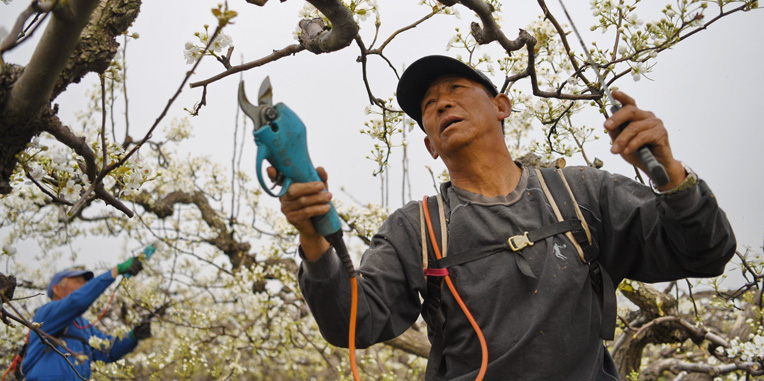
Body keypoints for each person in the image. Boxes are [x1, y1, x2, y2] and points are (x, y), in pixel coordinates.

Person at [276, 54, 736, 380]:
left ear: (501, 106)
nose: (440, 104)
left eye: (455, 89)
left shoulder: (581, 194)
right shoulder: (416, 228)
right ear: (431, 146)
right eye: (427, 107)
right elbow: (351, 323)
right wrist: (314, 240)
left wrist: (670, 174)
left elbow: (706, 252)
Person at [20, 255, 152, 380]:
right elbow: (77, 301)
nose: (83, 286)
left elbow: (108, 350)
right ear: (57, 289)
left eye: (85, 283)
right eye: (78, 281)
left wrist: (133, 336)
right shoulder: (46, 313)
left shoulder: (84, 326)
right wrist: (114, 271)